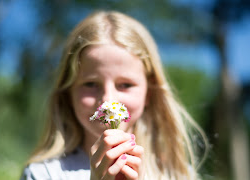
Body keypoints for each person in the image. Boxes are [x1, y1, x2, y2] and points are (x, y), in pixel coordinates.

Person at [20, 10, 208, 180]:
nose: (108, 101)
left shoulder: (174, 174)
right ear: (68, 93)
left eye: (125, 85)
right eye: (91, 84)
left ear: (149, 93)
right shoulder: (44, 173)